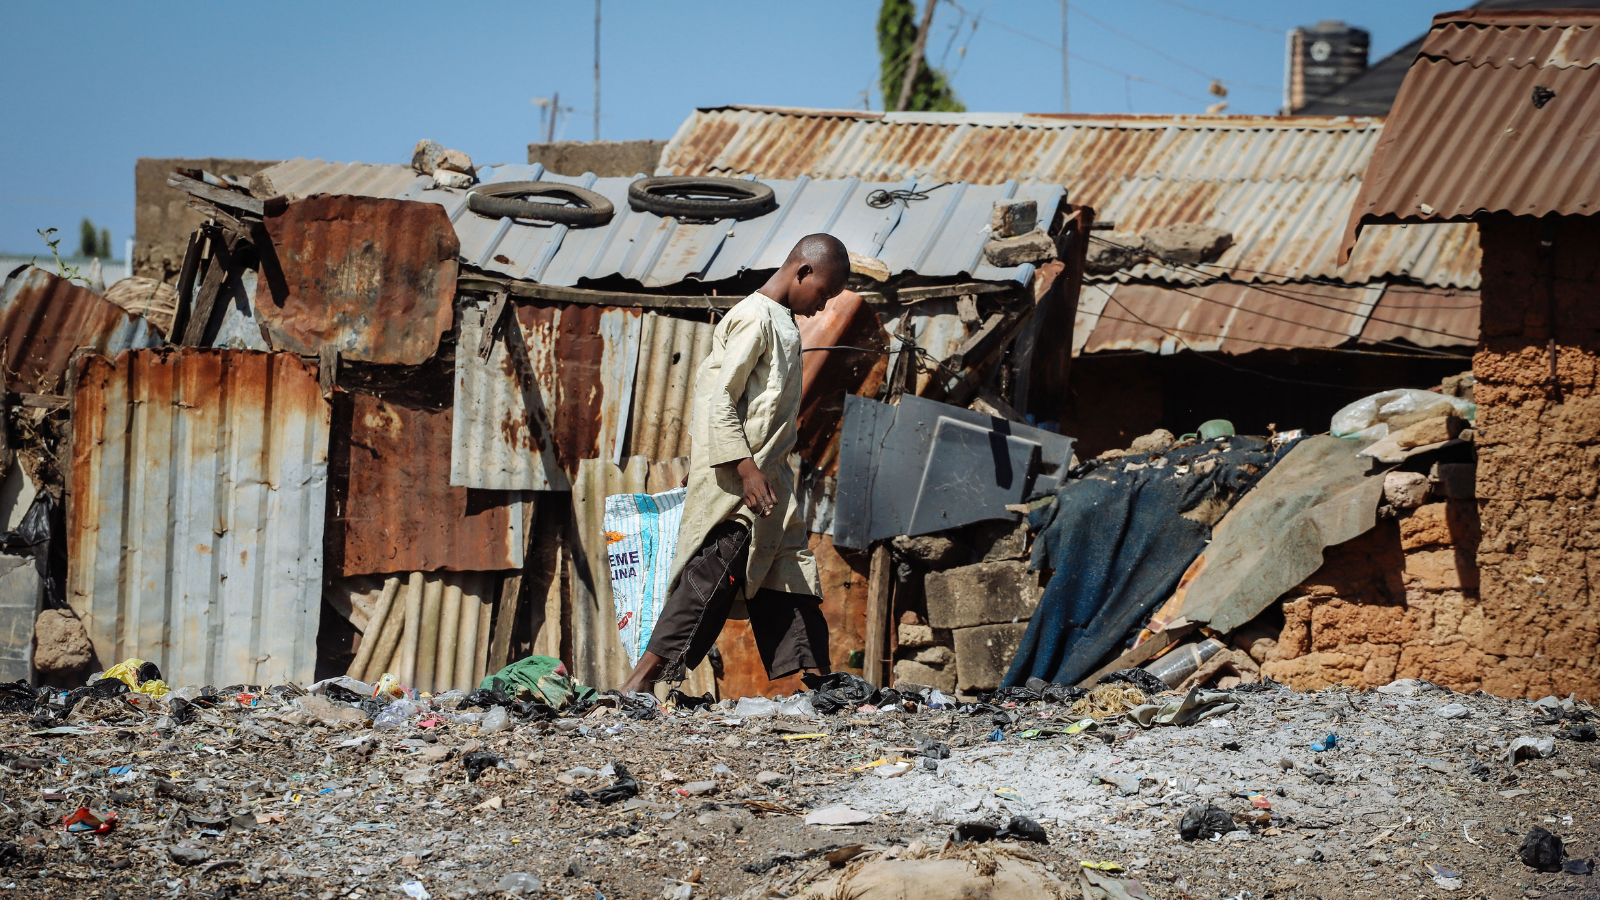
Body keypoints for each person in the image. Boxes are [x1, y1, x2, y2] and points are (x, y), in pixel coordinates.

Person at [620, 234, 849, 693]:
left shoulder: (780, 320)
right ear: (802, 271)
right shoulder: (754, 317)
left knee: (789, 573)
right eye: (823, 294)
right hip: (744, 481)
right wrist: (743, 469)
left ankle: (822, 681)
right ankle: (640, 680)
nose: (822, 308)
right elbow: (717, 398)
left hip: (770, 480)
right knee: (713, 574)